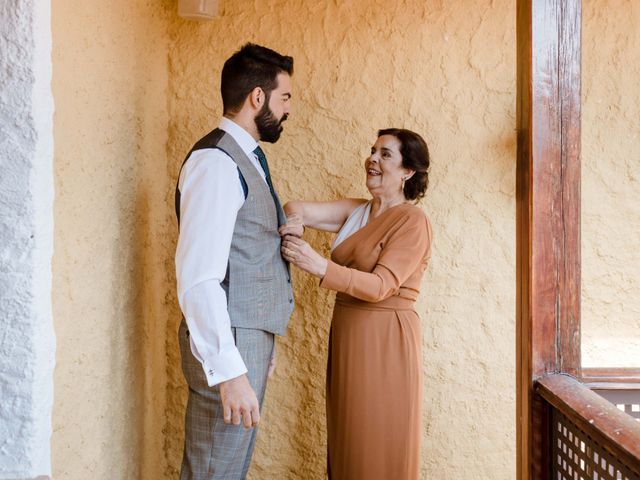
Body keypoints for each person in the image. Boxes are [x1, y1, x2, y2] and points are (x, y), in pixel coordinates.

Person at [280, 128, 432, 480]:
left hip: (385, 340)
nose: (373, 159)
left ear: (408, 171)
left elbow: (381, 286)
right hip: (348, 333)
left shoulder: (413, 221)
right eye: (372, 150)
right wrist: (295, 224)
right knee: (348, 433)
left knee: (376, 438)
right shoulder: (357, 211)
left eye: (385, 154)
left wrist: (319, 265)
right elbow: (295, 207)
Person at [174, 43, 294, 480]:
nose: (287, 111)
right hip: (229, 344)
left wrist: (259, 345)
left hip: (244, 339)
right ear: (257, 98)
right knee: (212, 470)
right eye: (285, 98)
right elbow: (199, 277)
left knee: (228, 469)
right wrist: (229, 370)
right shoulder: (216, 163)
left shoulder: (244, 158)